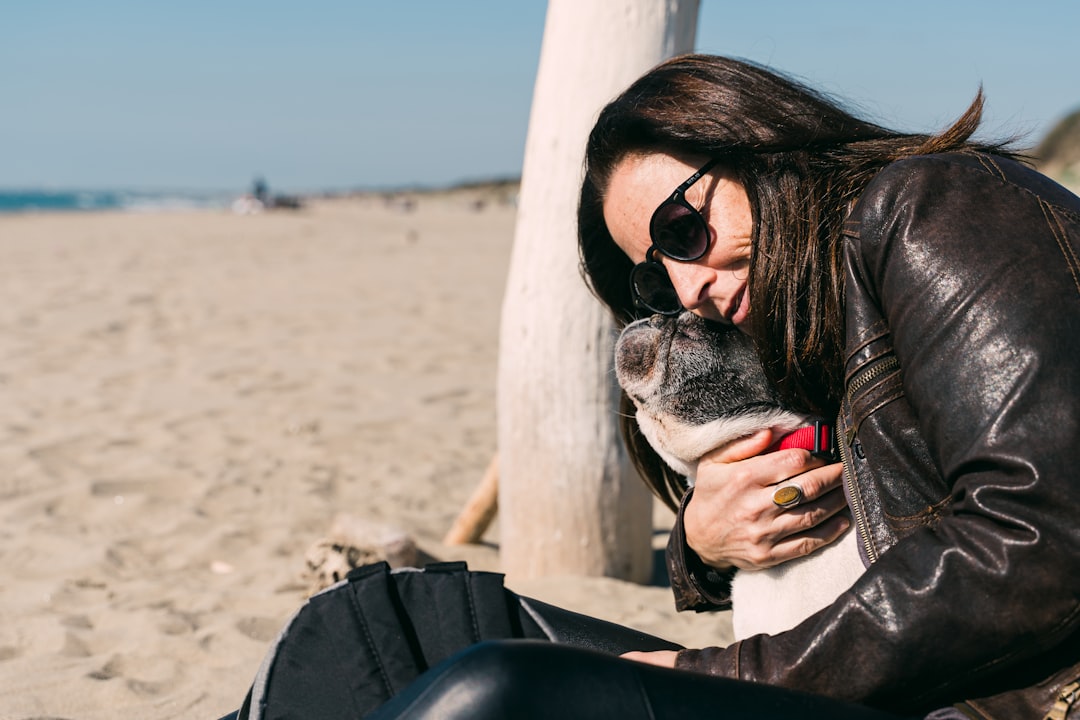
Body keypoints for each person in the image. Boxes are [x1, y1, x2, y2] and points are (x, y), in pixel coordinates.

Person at [237, 55, 1080, 719]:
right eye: (654, 274)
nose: (685, 290)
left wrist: (742, 672)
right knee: (393, 624)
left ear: (758, 138)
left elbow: (1044, 535)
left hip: (1001, 705)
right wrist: (701, 547)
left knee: (500, 691)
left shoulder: (933, 204)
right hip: (895, 687)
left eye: (684, 229)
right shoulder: (806, 315)